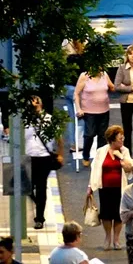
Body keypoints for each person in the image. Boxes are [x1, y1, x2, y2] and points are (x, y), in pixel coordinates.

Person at [88, 125, 133, 250]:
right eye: (120, 138)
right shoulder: (101, 151)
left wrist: (121, 157)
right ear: (112, 139)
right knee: (106, 214)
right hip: (105, 188)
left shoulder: (124, 151)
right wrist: (90, 186)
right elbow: (95, 169)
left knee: (118, 214)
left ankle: (116, 239)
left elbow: (130, 168)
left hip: (120, 188)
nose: (122, 140)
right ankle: (108, 237)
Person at [26, 96, 64, 230]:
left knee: (41, 187)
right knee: (28, 188)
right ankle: (39, 203)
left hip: (44, 157)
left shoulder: (49, 119)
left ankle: (39, 218)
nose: (33, 106)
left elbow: (59, 138)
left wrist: (60, 154)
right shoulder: (25, 120)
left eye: (35, 103)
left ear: (41, 104)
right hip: (29, 157)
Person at [74, 69, 113, 167]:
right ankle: (86, 155)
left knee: (102, 135)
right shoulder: (85, 76)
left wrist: (113, 86)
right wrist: (78, 108)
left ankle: (99, 158)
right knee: (90, 134)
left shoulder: (104, 75)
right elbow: (76, 93)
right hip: (89, 111)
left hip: (104, 110)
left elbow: (111, 87)